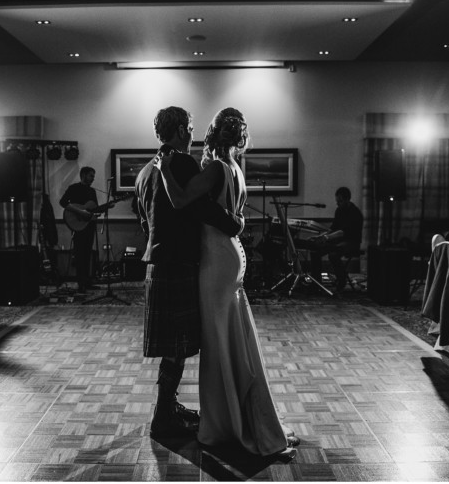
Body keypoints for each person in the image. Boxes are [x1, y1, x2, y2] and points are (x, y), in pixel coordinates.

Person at [155, 107, 298, 460]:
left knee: (218, 344)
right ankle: (240, 414)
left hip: (216, 262)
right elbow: (238, 217)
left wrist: (163, 171)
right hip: (232, 255)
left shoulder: (216, 168)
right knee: (231, 339)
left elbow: (180, 199)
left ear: (212, 133)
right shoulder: (235, 168)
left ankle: (225, 424)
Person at [134, 106, 244, 440]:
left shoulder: (143, 172)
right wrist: (234, 223)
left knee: (173, 343)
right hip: (179, 262)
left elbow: (143, 220)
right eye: (191, 128)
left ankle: (167, 407)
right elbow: (201, 207)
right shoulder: (181, 162)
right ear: (182, 129)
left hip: (157, 261)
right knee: (178, 344)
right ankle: (163, 416)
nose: (193, 134)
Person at [303, 186, 363, 290]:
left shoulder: (355, 213)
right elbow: (333, 229)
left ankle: (341, 281)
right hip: (339, 240)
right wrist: (319, 237)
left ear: (347, 199)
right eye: (337, 201)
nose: (337, 203)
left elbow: (343, 232)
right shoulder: (339, 210)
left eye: (340, 201)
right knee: (315, 250)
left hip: (351, 242)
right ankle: (316, 282)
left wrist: (326, 237)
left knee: (333, 254)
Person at [59, 166, 102, 294]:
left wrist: (100, 210)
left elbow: (94, 208)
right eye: (91, 176)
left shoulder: (92, 191)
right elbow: (62, 202)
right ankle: (81, 283)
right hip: (77, 226)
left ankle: (87, 282)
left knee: (87, 254)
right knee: (79, 255)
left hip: (88, 226)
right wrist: (79, 211)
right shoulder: (73, 188)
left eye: (93, 176)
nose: (93, 179)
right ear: (83, 175)